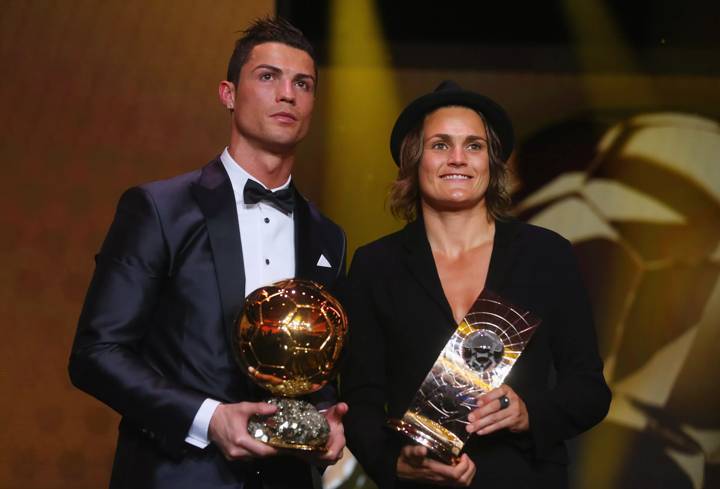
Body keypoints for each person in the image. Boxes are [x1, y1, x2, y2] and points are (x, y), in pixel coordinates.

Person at [69, 18, 348, 489]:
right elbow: (97, 354)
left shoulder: (328, 237)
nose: (287, 94)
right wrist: (209, 418)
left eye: (302, 84)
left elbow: (314, 368)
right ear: (228, 94)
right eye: (268, 76)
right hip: (174, 475)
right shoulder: (160, 209)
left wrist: (326, 417)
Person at [341, 81, 611, 488]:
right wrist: (395, 462)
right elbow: (360, 402)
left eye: (473, 146)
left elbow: (589, 389)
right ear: (414, 161)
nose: (457, 159)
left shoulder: (545, 256)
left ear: (492, 162)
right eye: (439, 145)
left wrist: (527, 412)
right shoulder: (377, 265)